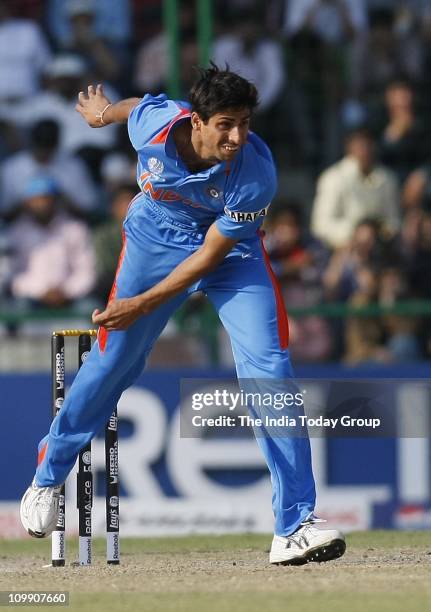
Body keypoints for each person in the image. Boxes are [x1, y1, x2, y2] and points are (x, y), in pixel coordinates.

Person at [20, 65, 345, 566]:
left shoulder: (256, 170)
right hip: (154, 239)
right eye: (225, 125)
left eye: (244, 123)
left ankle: (294, 525)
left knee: (271, 371)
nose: (237, 136)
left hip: (229, 254)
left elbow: (211, 256)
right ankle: (48, 474)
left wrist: (142, 304)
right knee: (114, 363)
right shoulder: (155, 123)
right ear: (196, 121)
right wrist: (104, 113)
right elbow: (134, 108)